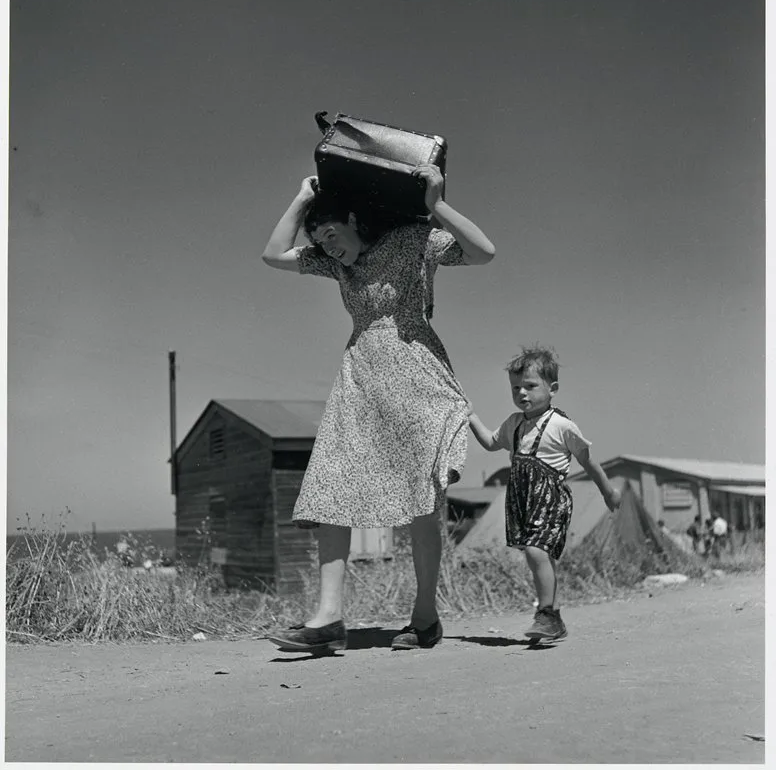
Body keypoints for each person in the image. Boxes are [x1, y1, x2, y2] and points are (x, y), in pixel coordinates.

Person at [262, 164, 495, 652]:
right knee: (330, 484)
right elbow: (273, 254)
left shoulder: (414, 241)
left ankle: (425, 617)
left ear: (354, 218)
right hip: (360, 380)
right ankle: (328, 619)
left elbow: (483, 253)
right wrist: (303, 199)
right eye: (320, 240)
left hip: (415, 376)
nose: (327, 246)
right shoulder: (336, 265)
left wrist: (436, 206)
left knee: (421, 502)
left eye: (331, 233)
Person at [468, 345, 620, 642]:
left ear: (553, 389)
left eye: (530, 386)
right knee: (539, 555)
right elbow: (489, 442)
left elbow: (587, 461)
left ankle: (546, 614)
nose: (521, 393)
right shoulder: (513, 423)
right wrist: (470, 415)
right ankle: (555, 618)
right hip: (523, 498)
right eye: (515, 388)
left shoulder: (562, 425)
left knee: (537, 551)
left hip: (550, 498)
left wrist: (607, 491)